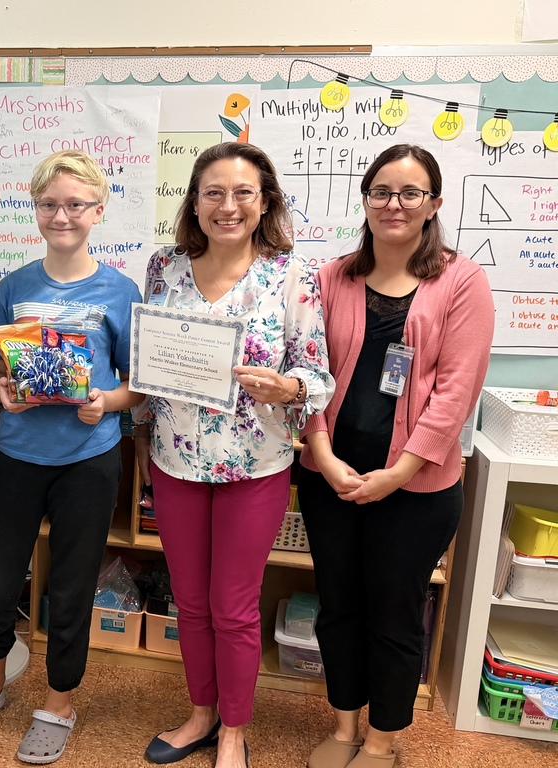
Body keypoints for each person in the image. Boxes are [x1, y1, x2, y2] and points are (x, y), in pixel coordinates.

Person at [0, 150, 143, 765]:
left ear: (98, 211)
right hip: (19, 456)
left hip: (89, 458)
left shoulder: (120, 290)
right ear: (35, 209)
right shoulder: (15, 287)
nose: (62, 214)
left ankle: (59, 701)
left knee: (73, 587)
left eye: (76, 204)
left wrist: (106, 403)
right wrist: (3, 393)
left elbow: (138, 383)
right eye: (50, 204)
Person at [135, 142, 334, 768]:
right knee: (190, 601)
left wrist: (289, 387)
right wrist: (140, 436)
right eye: (213, 192)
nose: (228, 206)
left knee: (234, 607)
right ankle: (201, 713)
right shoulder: (164, 266)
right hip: (174, 459)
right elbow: (147, 363)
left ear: (265, 200)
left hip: (256, 462)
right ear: (194, 202)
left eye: (243, 192)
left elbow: (318, 374)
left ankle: (234, 731)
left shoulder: (291, 275)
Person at [297, 144, 493, 768]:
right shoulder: (332, 277)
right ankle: (345, 726)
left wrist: (401, 471)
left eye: (411, 193)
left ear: (434, 204)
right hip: (333, 476)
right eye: (382, 191)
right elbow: (308, 371)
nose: (395, 205)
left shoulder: (462, 281)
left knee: (394, 612)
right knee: (338, 606)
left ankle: (383, 740)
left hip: (416, 489)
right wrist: (324, 458)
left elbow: (457, 391)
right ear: (365, 199)